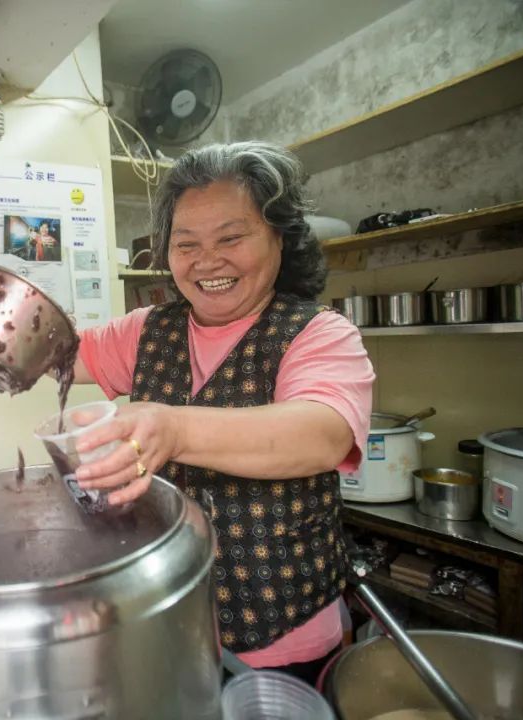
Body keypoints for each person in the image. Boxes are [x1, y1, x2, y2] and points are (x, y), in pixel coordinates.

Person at [66, 142, 374, 684]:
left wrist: (173, 426)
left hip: (282, 640)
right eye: (186, 244)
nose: (207, 261)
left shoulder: (319, 334)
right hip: (166, 623)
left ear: (281, 236)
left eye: (231, 238)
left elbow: (319, 433)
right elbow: (62, 352)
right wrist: (5, 329)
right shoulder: (147, 331)